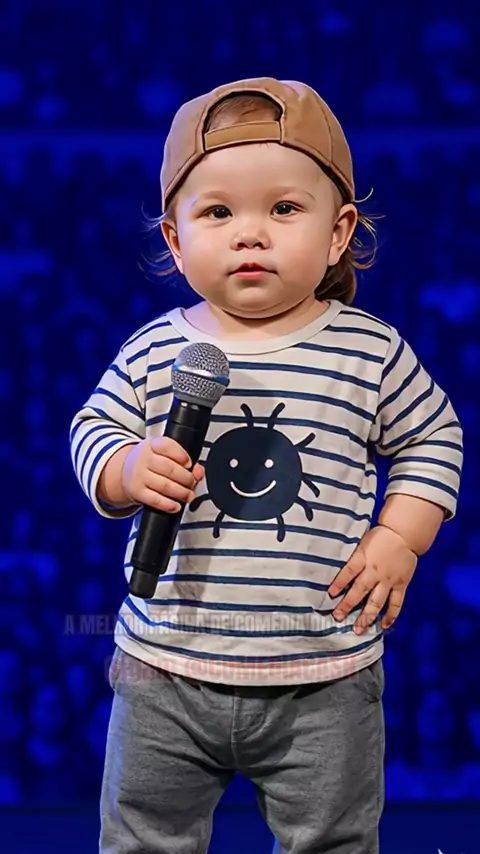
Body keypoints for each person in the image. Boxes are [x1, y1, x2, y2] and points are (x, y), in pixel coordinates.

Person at [69, 77, 463, 854]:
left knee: (333, 842)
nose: (249, 235)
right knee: (144, 839)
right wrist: (125, 467)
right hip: (163, 666)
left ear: (338, 232)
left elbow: (433, 438)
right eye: (218, 212)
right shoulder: (156, 350)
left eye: (283, 209)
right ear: (176, 240)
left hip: (326, 673)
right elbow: (93, 429)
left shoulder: (370, 350)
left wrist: (399, 537)